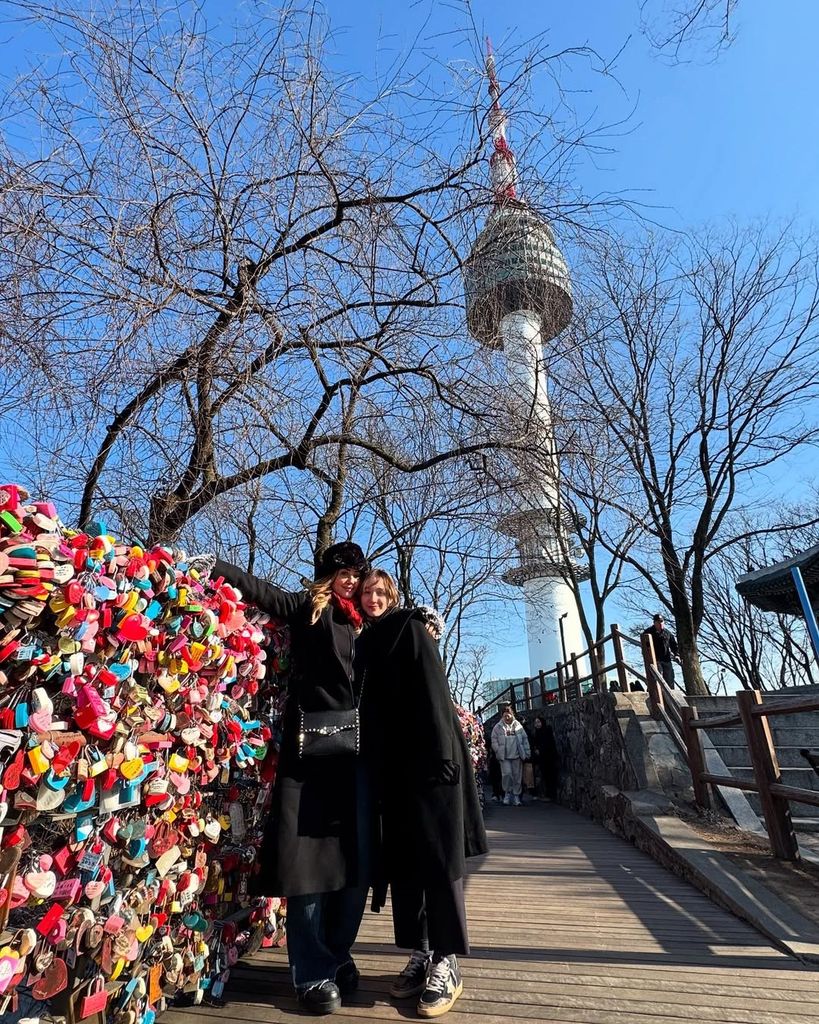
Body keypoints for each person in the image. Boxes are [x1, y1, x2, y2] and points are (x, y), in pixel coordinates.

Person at [193, 541, 372, 1015]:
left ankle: (336, 955)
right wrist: (218, 565)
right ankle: (311, 971)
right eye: (343, 572)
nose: (350, 580)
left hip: (360, 755)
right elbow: (262, 592)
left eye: (357, 572)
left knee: (356, 865)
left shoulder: (368, 623)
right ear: (328, 575)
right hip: (314, 749)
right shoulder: (309, 610)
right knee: (310, 863)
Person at [361, 573, 488, 1019]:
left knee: (439, 859)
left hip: (433, 764)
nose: (373, 599)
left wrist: (442, 756)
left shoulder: (409, 629)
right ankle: (422, 951)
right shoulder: (367, 641)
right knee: (406, 863)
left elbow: (436, 692)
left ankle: (448, 959)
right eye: (366, 593)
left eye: (381, 592)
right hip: (394, 771)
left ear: (391, 597)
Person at [490, 704, 530, 806]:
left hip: (516, 755)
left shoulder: (518, 726)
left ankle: (516, 796)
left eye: (508, 715)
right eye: (505, 716)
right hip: (504, 756)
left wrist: (526, 752)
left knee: (517, 776)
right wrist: (497, 750)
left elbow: (525, 739)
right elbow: (493, 740)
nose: (507, 718)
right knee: (507, 774)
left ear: (512, 715)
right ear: (502, 716)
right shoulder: (498, 727)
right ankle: (507, 794)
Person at [644, 613, 679, 686]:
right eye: (658, 621)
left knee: (669, 678)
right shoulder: (648, 632)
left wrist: (677, 655)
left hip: (666, 659)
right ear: (654, 623)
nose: (660, 623)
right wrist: (648, 657)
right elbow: (644, 645)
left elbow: (674, 645)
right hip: (655, 659)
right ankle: (655, 695)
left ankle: (670, 696)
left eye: (661, 621)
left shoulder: (667, 633)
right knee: (657, 678)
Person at [531, 715, 558, 801]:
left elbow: (548, 744)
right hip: (542, 758)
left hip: (549, 757)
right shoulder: (537, 733)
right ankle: (546, 794)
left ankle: (550, 795)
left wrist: (540, 750)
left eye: (538, 722)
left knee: (549, 776)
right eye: (536, 723)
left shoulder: (547, 731)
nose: (537, 724)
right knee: (544, 776)